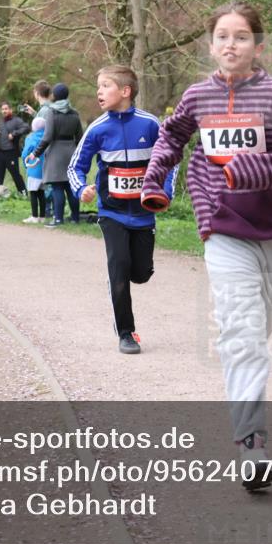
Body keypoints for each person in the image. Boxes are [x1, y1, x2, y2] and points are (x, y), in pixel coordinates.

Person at [140, 1, 272, 490]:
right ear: (211, 45)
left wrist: (253, 168)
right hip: (221, 225)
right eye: (222, 36)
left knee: (257, 325)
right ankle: (252, 446)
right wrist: (155, 177)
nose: (231, 44)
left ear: (257, 46)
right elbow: (171, 138)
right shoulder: (198, 96)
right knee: (242, 331)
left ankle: (244, 350)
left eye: (241, 37)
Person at [68, 65, 177, 355]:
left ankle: (131, 271)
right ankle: (126, 333)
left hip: (143, 213)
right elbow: (75, 167)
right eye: (98, 86)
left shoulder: (150, 124)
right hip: (111, 212)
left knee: (140, 273)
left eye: (105, 86)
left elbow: (171, 159)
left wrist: (165, 191)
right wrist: (81, 189)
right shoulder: (97, 128)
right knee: (119, 267)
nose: (99, 92)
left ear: (125, 91)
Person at [27, 82, 83, 227]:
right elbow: (80, 137)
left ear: (55, 96)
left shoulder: (52, 112)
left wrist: (35, 153)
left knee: (58, 187)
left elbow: (47, 137)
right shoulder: (74, 113)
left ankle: (58, 219)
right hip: (71, 152)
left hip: (55, 152)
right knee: (70, 186)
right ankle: (75, 218)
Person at [0, 101, 29, 195]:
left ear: (10, 110)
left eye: (6, 109)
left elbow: (26, 127)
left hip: (11, 152)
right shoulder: (0, 123)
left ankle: (23, 194)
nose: (4, 111)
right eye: (2, 109)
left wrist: (14, 133)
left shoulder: (16, 121)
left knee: (15, 174)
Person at [21, 116, 47, 223]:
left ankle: (34, 216)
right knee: (42, 193)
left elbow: (25, 154)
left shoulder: (31, 138)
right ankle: (43, 216)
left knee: (33, 193)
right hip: (45, 170)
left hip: (34, 169)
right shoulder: (47, 137)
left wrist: (25, 165)